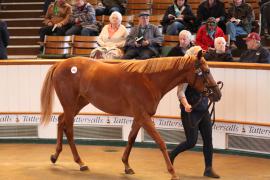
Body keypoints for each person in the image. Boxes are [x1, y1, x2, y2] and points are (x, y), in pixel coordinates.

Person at [168, 46, 220, 179]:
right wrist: (185, 104)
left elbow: (206, 86)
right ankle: (171, 155)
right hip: (190, 111)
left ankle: (208, 169)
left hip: (203, 109)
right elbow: (180, 92)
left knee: (208, 140)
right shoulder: (186, 73)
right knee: (191, 142)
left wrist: (211, 94)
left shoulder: (201, 70)